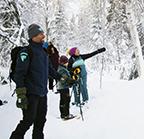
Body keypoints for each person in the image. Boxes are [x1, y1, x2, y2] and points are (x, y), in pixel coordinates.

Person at [9, 24, 62, 139]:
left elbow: (50, 70)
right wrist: (21, 93)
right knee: (28, 121)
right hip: (30, 94)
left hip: (42, 93)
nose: (43, 35)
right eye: (40, 33)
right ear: (33, 36)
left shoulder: (44, 51)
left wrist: (62, 78)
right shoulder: (26, 52)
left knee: (40, 121)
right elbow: (19, 74)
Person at [57, 55, 75, 120]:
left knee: (63, 100)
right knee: (66, 100)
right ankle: (66, 114)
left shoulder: (62, 68)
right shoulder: (62, 69)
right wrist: (71, 82)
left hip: (62, 87)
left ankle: (63, 114)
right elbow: (64, 79)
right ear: (63, 62)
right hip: (64, 87)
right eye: (66, 62)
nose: (67, 63)